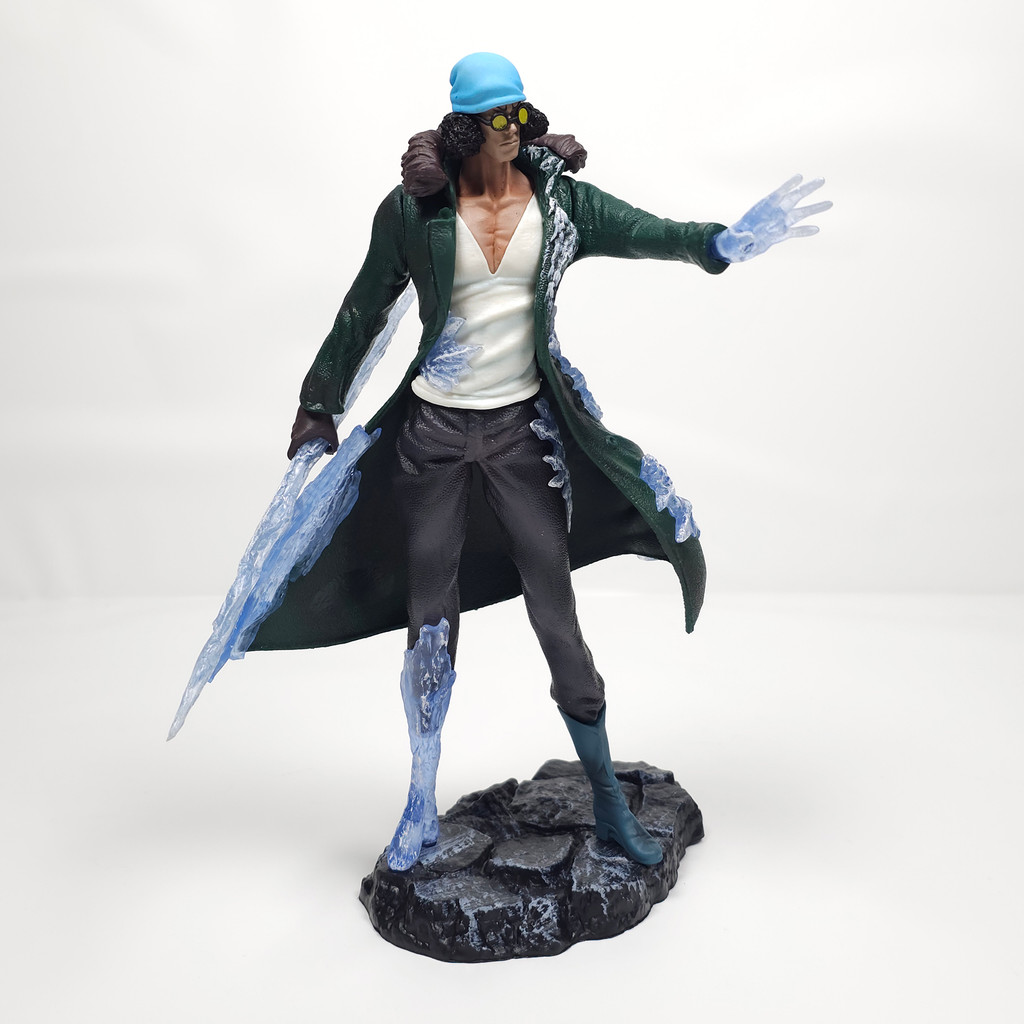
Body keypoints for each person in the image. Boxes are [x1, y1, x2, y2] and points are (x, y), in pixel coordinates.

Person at [242, 52, 830, 871]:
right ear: (463, 127)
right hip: (432, 440)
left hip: (523, 435)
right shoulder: (415, 211)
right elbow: (363, 303)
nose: (511, 130)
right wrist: (319, 403)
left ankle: (610, 802)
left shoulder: (559, 202)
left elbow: (647, 232)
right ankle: (419, 800)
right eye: (495, 118)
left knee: (557, 614)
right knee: (429, 619)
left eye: (520, 114)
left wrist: (721, 243)